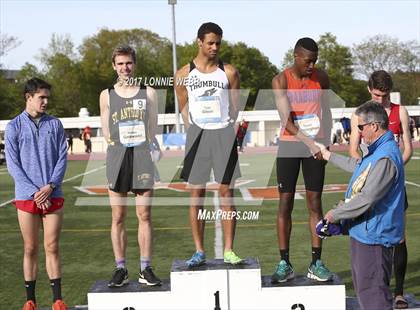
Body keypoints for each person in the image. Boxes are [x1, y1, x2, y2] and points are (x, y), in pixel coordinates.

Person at [316, 101, 405, 310]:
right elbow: (357, 166)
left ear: (374, 126)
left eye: (361, 127)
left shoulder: (384, 156)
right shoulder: (376, 151)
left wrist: (334, 215)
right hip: (365, 234)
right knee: (367, 294)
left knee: (374, 298)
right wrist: (328, 155)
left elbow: (367, 198)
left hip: (374, 238)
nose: (358, 132)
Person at [175, 22, 243, 267]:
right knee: (197, 194)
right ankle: (199, 250)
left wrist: (225, 127)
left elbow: (235, 108)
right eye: (210, 42)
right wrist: (194, 129)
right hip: (198, 137)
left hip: (223, 135)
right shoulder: (183, 74)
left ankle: (228, 250)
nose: (215, 47)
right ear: (199, 42)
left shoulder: (230, 73)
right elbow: (183, 107)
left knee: (226, 192)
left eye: (218, 43)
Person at [349, 70, 412, 309]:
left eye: (384, 96)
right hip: (369, 183)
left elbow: (407, 147)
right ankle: (377, 289)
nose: (380, 100)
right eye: (376, 95)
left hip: (393, 183)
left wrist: (391, 170)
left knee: (399, 236)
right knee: (370, 233)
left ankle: (398, 292)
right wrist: (369, 172)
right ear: (369, 89)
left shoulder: (400, 111)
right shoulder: (361, 114)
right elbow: (353, 149)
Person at [271, 37, 333, 283]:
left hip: (316, 147)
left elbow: (326, 111)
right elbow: (286, 121)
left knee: (315, 203)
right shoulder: (281, 80)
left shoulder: (322, 78)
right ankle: (284, 262)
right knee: (285, 203)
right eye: (308, 61)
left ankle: (316, 262)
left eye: (315, 61)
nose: (311, 65)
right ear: (296, 56)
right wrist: (311, 144)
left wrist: (325, 143)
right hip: (289, 146)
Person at [99, 45, 161, 287]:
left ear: (134, 65)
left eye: (129, 63)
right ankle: (121, 268)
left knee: (144, 215)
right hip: (117, 157)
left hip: (142, 156)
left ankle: (145, 268)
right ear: (114, 66)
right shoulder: (106, 94)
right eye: (120, 63)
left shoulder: (149, 92)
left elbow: (153, 127)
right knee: (118, 216)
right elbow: (106, 132)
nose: (125, 68)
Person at [5, 78, 68, 310]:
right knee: (30, 248)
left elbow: (62, 157)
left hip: (53, 193)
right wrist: (34, 192)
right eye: (41, 97)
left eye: (47, 97)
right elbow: (13, 164)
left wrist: (50, 186)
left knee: (52, 246)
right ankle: (30, 300)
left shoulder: (56, 124)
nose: (45, 101)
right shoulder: (14, 127)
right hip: (26, 196)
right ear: (28, 97)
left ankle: (57, 300)